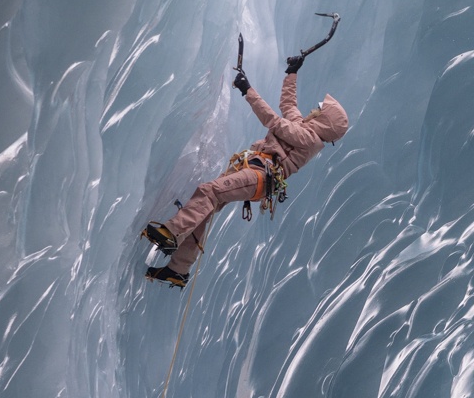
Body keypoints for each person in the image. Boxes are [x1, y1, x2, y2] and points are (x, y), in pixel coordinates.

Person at [142, 51, 349, 287]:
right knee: (207, 206)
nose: (316, 108)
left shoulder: (307, 138)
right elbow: (288, 104)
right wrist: (292, 72)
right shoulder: (302, 128)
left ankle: (170, 234)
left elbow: (273, 121)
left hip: (261, 176)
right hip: (254, 169)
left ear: (325, 120)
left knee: (210, 192)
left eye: (321, 109)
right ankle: (178, 270)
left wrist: (247, 91)